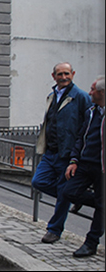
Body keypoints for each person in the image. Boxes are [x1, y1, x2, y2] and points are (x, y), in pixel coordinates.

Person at [31, 62, 92, 244]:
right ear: (53, 76)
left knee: (63, 191)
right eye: (60, 74)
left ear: (73, 74)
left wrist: (78, 154)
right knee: (38, 181)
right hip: (51, 152)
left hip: (68, 154)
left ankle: (54, 230)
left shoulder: (80, 97)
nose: (64, 77)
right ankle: (75, 196)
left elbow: (88, 126)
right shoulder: (52, 96)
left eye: (67, 73)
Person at [63, 75, 104, 257]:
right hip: (85, 163)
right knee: (69, 192)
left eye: (93, 89)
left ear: (102, 93)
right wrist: (74, 160)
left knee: (102, 207)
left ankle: (91, 243)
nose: (90, 92)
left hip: (102, 167)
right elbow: (81, 137)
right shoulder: (91, 111)